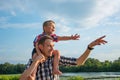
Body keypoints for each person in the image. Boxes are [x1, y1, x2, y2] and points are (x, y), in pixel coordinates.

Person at [20, 35, 107, 80]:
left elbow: (79, 62)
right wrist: (36, 62)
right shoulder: (32, 61)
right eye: (49, 46)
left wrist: (90, 47)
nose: (52, 49)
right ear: (40, 47)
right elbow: (22, 79)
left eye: (53, 46)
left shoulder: (56, 59)